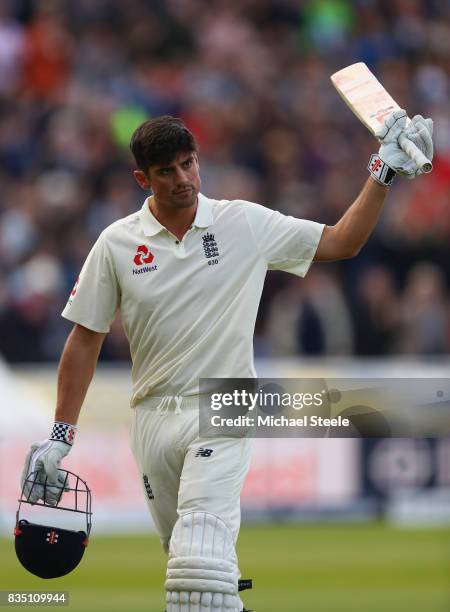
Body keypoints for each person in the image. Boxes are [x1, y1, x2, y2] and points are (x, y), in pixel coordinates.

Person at [21, 110, 433, 612]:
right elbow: (84, 341)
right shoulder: (116, 243)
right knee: (194, 580)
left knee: (198, 566)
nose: (183, 180)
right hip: (152, 414)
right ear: (142, 179)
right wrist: (61, 436)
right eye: (167, 171)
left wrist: (381, 172)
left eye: (189, 164)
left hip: (226, 401)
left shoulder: (244, 222)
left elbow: (341, 241)